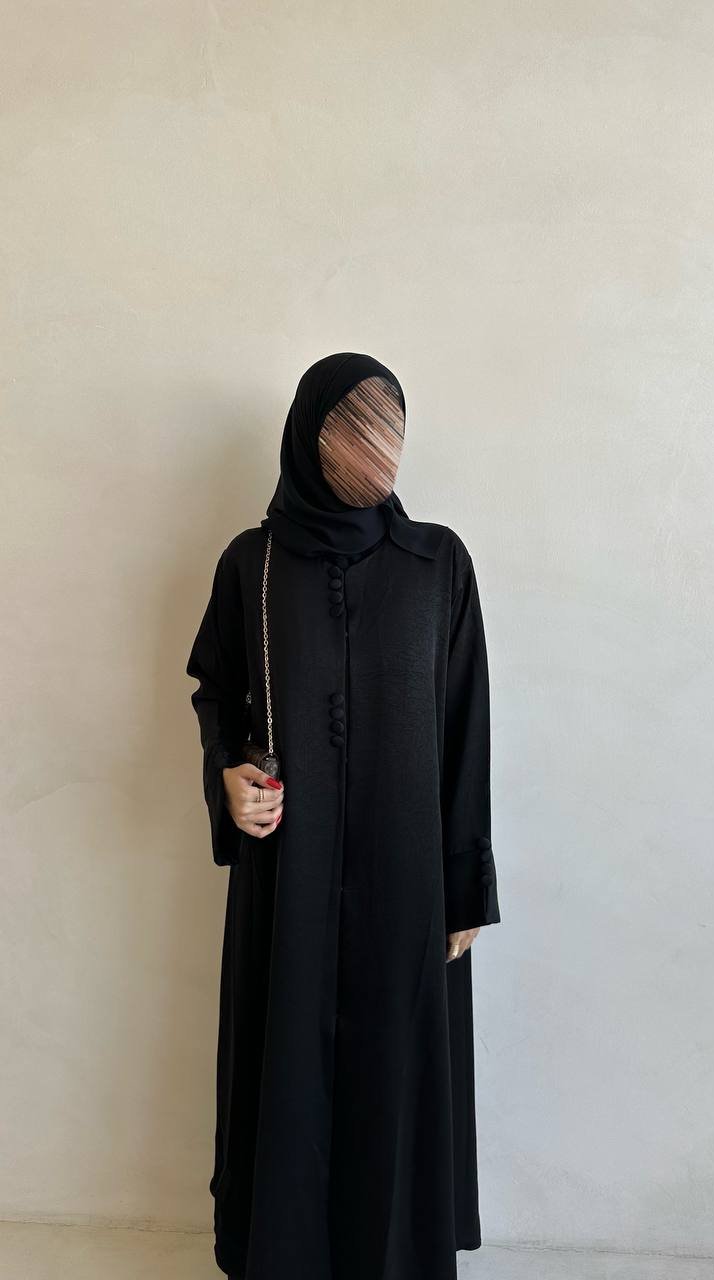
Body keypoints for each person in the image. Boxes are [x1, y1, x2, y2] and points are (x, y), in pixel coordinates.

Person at [185, 351, 501, 1280]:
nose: (378, 449)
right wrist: (228, 775)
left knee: (395, 1072)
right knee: (287, 1064)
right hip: (290, 874)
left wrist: (465, 886)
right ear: (306, 435)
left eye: (390, 427)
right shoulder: (252, 563)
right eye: (354, 427)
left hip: (407, 881)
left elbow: (466, 723)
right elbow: (218, 693)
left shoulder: (437, 563)